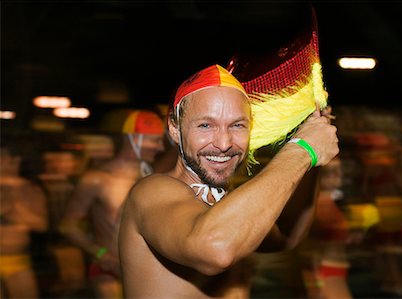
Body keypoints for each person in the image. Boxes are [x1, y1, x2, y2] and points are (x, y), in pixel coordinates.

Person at [118, 64, 339, 298]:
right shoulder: (151, 192)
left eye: (237, 125)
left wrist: (312, 157)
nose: (224, 143)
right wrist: (303, 150)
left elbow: (285, 236)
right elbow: (215, 250)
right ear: (174, 128)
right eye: (206, 125)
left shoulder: (229, 205)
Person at [59, 110, 165, 299]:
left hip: (146, 272)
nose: (160, 147)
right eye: (155, 140)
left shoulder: (152, 178)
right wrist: (100, 254)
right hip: (109, 272)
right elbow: (68, 226)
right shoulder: (97, 180)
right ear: (134, 139)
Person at [0, 146, 49, 298]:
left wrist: (16, 210)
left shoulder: (30, 189)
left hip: (18, 260)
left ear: (16, 160)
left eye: (2, 157)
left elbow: (41, 225)